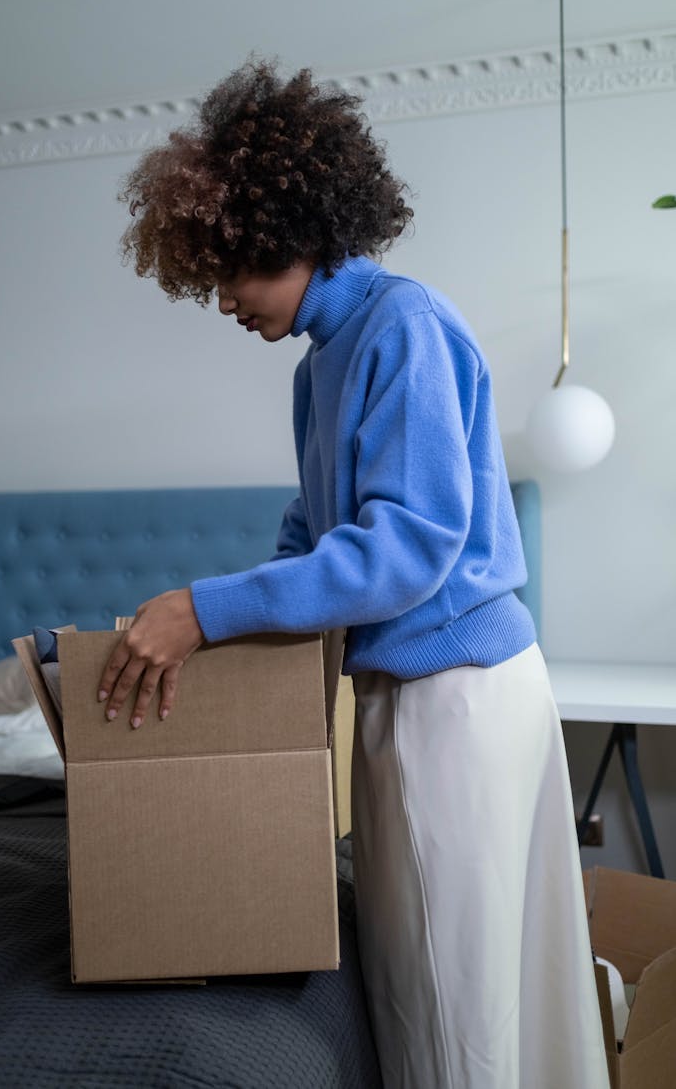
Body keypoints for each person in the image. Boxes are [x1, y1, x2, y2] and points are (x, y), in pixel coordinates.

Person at [97, 60, 608, 1089]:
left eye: (227, 274)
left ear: (281, 233)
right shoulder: (323, 361)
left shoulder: (403, 325)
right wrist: (221, 622)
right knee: (460, 982)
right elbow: (315, 530)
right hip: (408, 697)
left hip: (451, 698)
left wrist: (206, 610)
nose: (223, 302)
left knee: (453, 998)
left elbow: (408, 548)